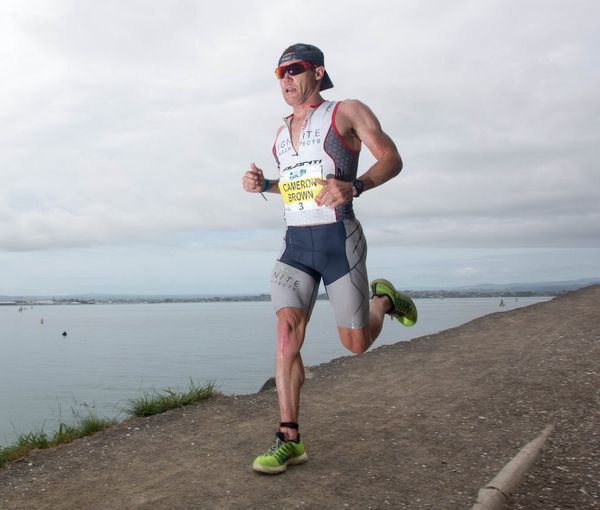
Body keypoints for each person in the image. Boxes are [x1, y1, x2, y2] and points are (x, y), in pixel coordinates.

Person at [242, 43, 417, 474]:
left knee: (355, 345)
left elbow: (391, 158)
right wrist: (264, 183)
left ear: (318, 72)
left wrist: (353, 186)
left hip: (340, 240)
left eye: (294, 69)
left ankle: (384, 301)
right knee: (286, 332)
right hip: (296, 246)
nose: (285, 79)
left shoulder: (347, 111)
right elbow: (297, 186)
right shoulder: (281, 133)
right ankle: (289, 438)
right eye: (279, 73)